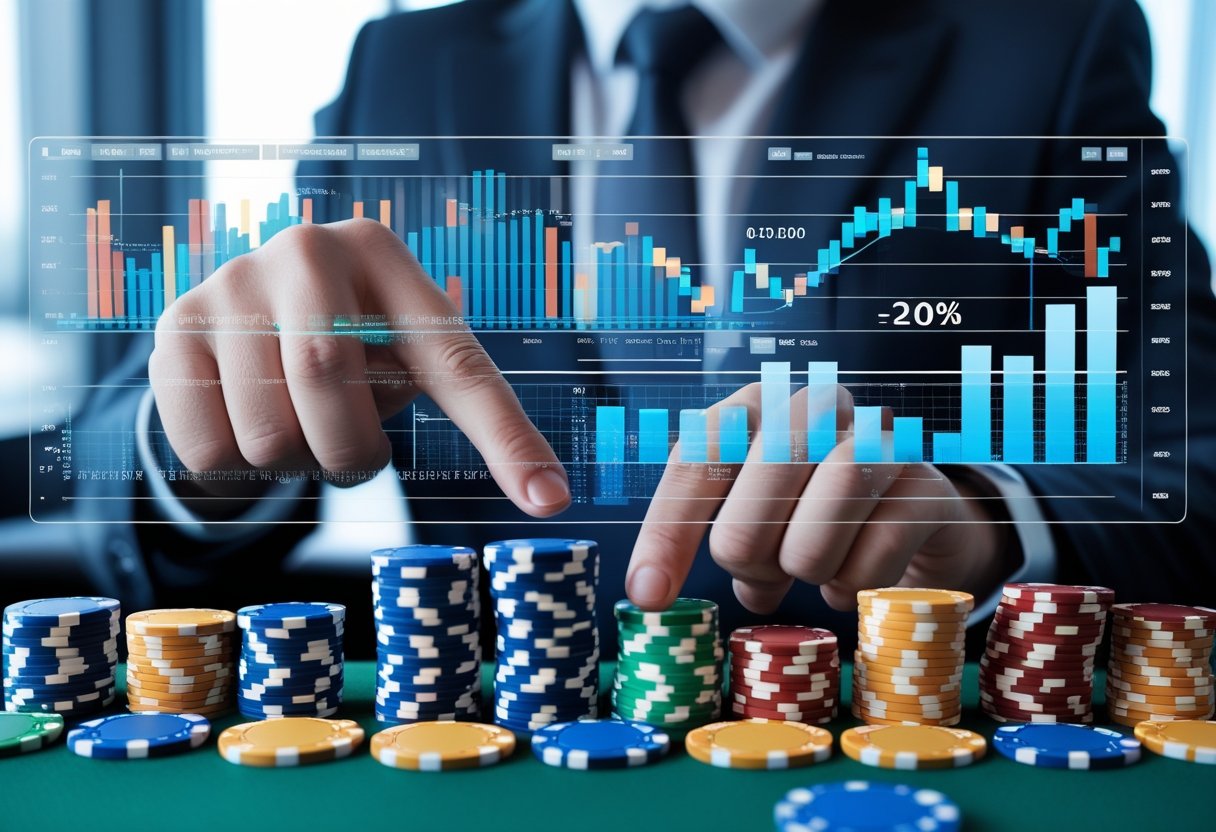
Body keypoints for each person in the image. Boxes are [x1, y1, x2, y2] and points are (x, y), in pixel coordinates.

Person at [75, 0, 1215, 652]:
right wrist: (208, 428)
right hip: (500, 776)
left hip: (870, 751)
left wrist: (986, 514)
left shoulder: (1043, 44)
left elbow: (1193, 468)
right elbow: (110, 456)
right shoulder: (405, 65)